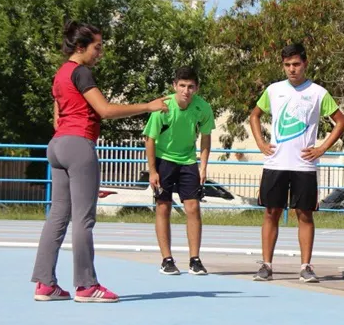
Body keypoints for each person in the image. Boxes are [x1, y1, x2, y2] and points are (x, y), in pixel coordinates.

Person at [31, 20, 168, 303]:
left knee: (57, 215)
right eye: (97, 46)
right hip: (78, 145)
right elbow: (104, 110)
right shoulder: (81, 73)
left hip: (57, 145)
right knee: (83, 219)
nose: (100, 52)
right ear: (80, 47)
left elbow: (57, 114)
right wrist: (148, 106)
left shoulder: (61, 74)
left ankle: (45, 284)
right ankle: (86, 285)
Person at [249, 43, 344, 283]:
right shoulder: (273, 90)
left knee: (304, 214)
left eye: (296, 64)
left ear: (305, 64)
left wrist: (322, 148)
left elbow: (341, 121)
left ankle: (305, 266)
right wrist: (261, 143)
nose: (292, 69)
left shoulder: (318, 92)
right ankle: (266, 265)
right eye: (287, 65)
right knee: (271, 212)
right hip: (276, 163)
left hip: (304, 165)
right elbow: (254, 116)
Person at [143, 66, 215, 276]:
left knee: (193, 207)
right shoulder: (163, 107)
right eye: (182, 86)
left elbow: (206, 138)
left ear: (197, 88)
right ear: (175, 86)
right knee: (163, 207)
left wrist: (203, 166)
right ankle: (167, 259)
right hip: (163, 159)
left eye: (191, 86)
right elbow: (150, 139)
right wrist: (152, 171)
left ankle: (195, 259)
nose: (186, 91)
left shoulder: (203, 108)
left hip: (188, 161)